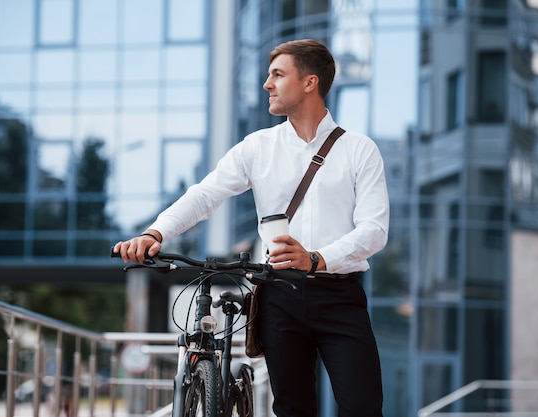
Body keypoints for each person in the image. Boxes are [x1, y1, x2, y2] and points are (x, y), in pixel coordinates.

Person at [114, 39, 389, 417]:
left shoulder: (359, 149)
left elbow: (374, 229)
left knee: (363, 407)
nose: (267, 84)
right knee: (292, 409)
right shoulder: (257, 147)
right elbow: (205, 195)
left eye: (277, 74)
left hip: (339, 297)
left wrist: (316, 258)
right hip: (278, 297)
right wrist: (155, 233)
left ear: (310, 83)